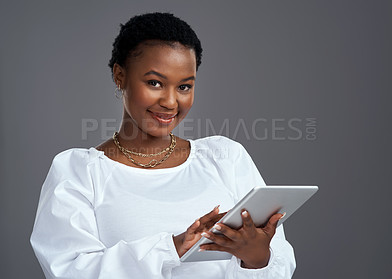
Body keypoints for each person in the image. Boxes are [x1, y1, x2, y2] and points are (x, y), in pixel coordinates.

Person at [30, 12, 296, 278]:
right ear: (119, 75)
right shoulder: (79, 173)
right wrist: (173, 248)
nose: (170, 102)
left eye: (184, 86)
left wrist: (257, 259)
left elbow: (280, 263)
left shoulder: (225, 158)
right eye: (154, 83)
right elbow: (68, 270)